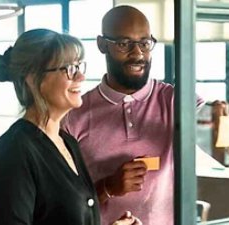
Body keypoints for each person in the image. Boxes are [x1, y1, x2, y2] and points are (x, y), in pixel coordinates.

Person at [0, 28, 142, 225]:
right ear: (33, 79)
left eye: (79, 67)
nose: (80, 78)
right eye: (69, 69)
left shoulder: (68, 142)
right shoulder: (14, 151)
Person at [61, 6, 204, 225]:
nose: (137, 53)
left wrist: (223, 128)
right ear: (102, 45)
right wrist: (107, 187)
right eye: (123, 44)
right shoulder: (73, 115)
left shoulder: (176, 100)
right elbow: (62, 206)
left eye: (145, 44)